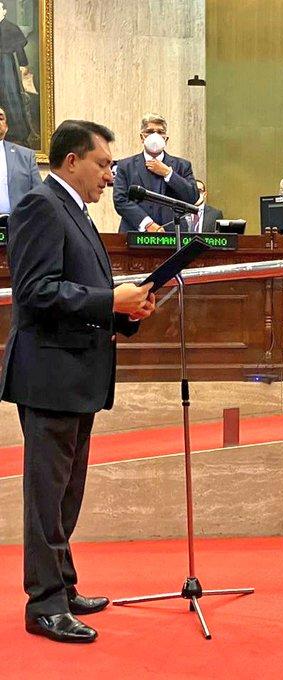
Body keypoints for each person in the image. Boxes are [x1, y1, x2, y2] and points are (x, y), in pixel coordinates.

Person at [0, 119, 156, 643]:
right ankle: (43, 604)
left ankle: (62, 587)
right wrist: (112, 298)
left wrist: (123, 314)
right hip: (48, 372)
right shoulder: (40, 206)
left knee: (67, 491)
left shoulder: (77, 211)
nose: (111, 175)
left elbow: (78, 292)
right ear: (72, 161)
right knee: (47, 494)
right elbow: (37, 293)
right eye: (104, 164)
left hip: (76, 369)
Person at [114, 113, 198, 233]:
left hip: (174, 235)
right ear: (142, 137)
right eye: (150, 131)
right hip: (135, 234)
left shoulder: (182, 165)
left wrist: (168, 173)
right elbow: (120, 200)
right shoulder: (125, 166)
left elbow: (192, 197)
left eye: (160, 132)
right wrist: (148, 224)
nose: (155, 135)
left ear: (166, 138)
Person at [0, 2, 33, 146]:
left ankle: (15, 131)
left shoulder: (12, 28)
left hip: (6, 68)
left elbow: (19, 50)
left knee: (10, 96)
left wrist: (23, 65)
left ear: (4, 11)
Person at [0, 106, 41, 218]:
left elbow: (38, 195)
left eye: (0, 118)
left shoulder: (26, 156)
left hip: (18, 226)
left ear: (6, 127)